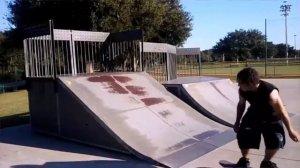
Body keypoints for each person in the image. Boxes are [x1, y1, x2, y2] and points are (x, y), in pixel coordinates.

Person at [234, 67, 299, 168]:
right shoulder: (242, 91)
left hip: (272, 116)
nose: (238, 85)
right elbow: (241, 105)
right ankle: (244, 160)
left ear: (250, 83)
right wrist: (237, 122)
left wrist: (291, 130)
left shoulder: (270, 93)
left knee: (276, 141)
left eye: (240, 83)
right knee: (243, 136)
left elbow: (282, 112)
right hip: (253, 113)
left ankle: (266, 162)